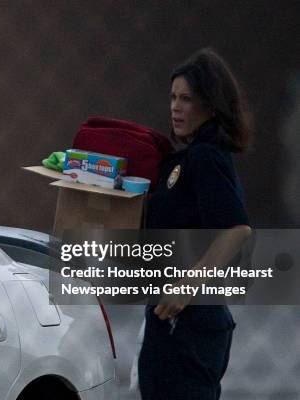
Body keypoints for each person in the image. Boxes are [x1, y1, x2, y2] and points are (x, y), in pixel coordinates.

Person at [138, 48, 253, 400]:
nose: (175, 107)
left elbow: (236, 231)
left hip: (191, 321)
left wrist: (186, 287)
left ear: (211, 105)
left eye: (186, 99)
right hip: (169, 319)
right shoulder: (183, 160)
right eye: (173, 97)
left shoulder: (206, 156)